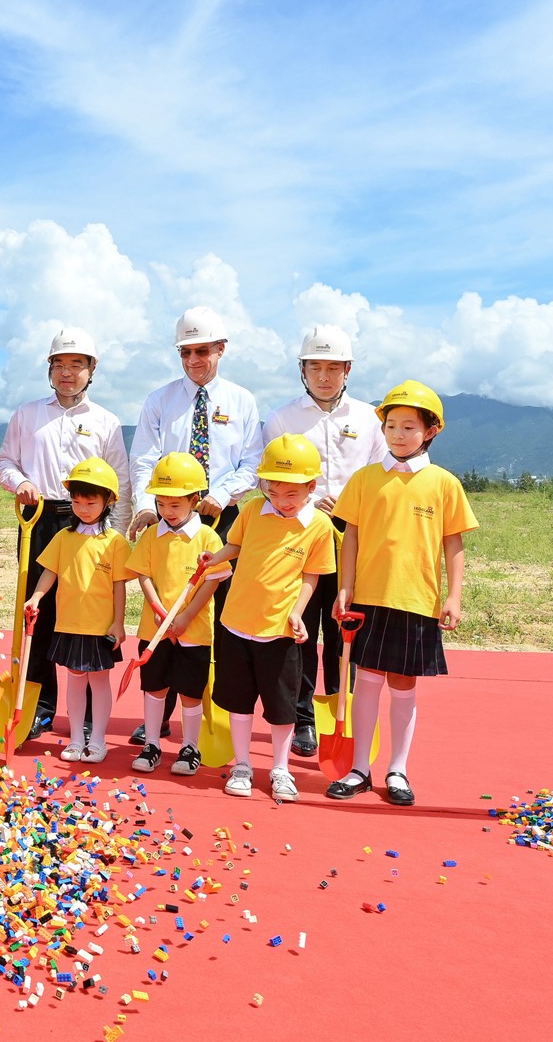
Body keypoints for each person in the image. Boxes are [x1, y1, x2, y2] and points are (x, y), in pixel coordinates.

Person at [325, 381, 478, 807]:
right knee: (367, 681)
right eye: (390, 425)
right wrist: (346, 587)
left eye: (408, 426)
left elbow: (454, 543)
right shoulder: (365, 479)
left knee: (403, 684)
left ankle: (398, 770)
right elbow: (350, 538)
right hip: (369, 598)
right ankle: (359, 768)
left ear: (430, 431)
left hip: (417, 599)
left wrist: (454, 597)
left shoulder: (444, 484)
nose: (397, 434)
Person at [126, 306, 263, 746]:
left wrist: (219, 497)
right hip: (169, 517)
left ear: (221, 349)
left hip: (223, 518)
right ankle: (158, 714)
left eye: (202, 351)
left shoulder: (242, 401)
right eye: (185, 353)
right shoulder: (160, 400)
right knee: (168, 607)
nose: (192, 361)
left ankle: (213, 714)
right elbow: (144, 458)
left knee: (218, 616)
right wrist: (148, 506)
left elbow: (252, 463)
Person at [0, 328, 131, 741]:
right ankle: (39, 705)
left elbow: (120, 480)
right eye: (59, 364)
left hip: (91, 524)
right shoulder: (27, 414)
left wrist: (116, 536)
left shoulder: (105, 421)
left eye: (77, 365)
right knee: (40, 610)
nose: (67, 373)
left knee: (87, 611)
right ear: (49, 369)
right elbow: (4, 462)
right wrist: (19, 482)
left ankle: (88, 710)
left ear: (92, 370)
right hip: (38, 519)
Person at [261, 326, 388, 757]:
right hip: (300, 539)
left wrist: (351, 504)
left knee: (343, 632)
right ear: (302, 369)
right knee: (300, 630)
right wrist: (311, 501)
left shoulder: (369, 419)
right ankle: (302, 719)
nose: (325, 375)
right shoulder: (281, 419)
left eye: (334, 367)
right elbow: (269, 483)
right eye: (316, 366)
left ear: (348, 369)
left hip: (352, 540)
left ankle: (342, 714)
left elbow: (379, 477)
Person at [190, 434, 335, 801]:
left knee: (282, 706)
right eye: (274, 491)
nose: (283, 502)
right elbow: (235, 545)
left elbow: (311, 575)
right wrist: (216, 557)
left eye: (292, 494)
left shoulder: (318, 526)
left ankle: (281, 769)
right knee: (238, 702)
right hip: (237, 623)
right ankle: (242, 765)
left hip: (280, 630)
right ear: (264, 484)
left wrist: (298, 613)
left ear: (311, 487)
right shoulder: (254, 510)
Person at [123, 452, 230, 777]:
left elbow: (211, 583)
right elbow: (143, 575)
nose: (167, 512)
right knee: (154, 687)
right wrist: (159, 610)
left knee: (190, 691)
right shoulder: (152, 536)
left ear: (194, 499)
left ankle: (190, 747)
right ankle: (152, 744)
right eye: (162, 504)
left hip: (193, 630)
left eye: (175, 505)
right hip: (154, 630)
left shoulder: (209, 537)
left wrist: (184, 618)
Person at [23, 458, 130, 764]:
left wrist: (119, 623)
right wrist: (36, 598)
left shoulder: (115, 542)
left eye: (91, 502)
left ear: (108, 501)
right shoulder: (63, 537)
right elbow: (49, 572)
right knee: (74, 680)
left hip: (101, 627)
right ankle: (74, 739)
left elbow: (119, 586)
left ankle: (97, 740)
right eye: (77, 501)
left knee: (98, 682)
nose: (82, 508)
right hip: (68, 623)